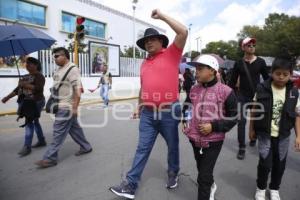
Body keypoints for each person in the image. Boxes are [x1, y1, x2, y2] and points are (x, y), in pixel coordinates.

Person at [109, 9, 188, 199]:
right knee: (142, 148)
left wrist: (161, 16)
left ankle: (172, 173)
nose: (149, 42)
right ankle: (130, 185)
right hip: (148, 114)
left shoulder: (172, 54)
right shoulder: (144, 63)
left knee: (172, 146)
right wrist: (139, 105)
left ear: (161, 41)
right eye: (146, 41)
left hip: (169, 111)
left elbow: (183, 32)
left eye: (152, 39)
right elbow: (143, 87)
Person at [183, 55, 237, 200]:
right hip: (194, 138)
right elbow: (187, 106)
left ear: (212, 71)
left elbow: (234, 117)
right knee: (201, 169)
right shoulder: (194, 89)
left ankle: (206, 190)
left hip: (214, 141)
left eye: (200, 69)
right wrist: (184, 120)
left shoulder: (226, 91)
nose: (196, 72)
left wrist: (213, 126)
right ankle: (211, 184)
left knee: (203, 176)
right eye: (196, 69)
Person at [249, 56, 300, 200]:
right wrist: (251, 130)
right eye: (278, 74)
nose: (281, 77)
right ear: (272, 72)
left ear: (290, 75)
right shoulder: (262, 88)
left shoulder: (294, 92)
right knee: (265, 164)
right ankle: (260, 187)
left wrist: (298, 136)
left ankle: (274, 188)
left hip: (283, 136)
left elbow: (297, 115)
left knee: (280, 165)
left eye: (285, 74)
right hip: (265, 134)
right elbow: (254, 110)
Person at [35, 47, 92, 168]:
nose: (54, 58)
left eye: (57, 56)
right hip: (60, 104)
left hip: (66, 106)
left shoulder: (72, 69)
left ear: (65, 56)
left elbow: (78, 90)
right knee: (74, 129)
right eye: (53, 56)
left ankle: (50, 158)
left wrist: (75, 107)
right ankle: (86, 147)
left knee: (58, 132)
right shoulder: (59, 69)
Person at [228, 37, 269, 160]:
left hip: (257, 96)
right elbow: (232, 81)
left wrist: (267, 92)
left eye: (253, 45)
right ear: (243, 47)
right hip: (242, 96)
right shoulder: (239, 63)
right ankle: (241, 147)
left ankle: (254, 136)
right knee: (241, 121)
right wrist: (229, 95)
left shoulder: (261, 62)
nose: (252, 46)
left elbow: (267, 79)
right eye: (249, 45)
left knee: (256, 119)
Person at [1, 57, 47, 156]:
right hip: (27, 102)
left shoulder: (39, 76)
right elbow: (17, 90)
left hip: (36, 102)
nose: (27, 65)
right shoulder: (25, 76)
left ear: (36, 65)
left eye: (29, 64)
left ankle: (27, 146)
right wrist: (7, 97)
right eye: (26, 64)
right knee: (35, 121)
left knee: (29, 122)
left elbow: (38, 88)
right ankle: (41, 140)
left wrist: (25, 84)